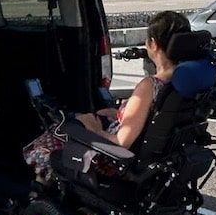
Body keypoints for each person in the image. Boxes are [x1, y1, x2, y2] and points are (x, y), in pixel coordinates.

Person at [76, 10, 191, 149]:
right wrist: (120, 113)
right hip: (162, 150)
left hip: (112, 155)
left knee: (61, 128)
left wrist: (92, 129)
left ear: (153, 44)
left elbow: (122, 142)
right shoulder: (187, 81)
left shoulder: (150, 86)